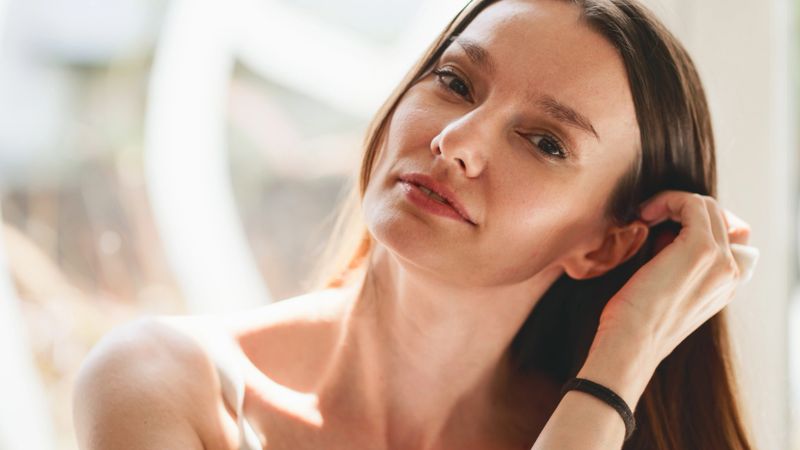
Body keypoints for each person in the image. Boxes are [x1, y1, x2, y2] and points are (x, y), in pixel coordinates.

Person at [72, 0, 758, 449]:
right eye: (455, 82)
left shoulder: (597, 429)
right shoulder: (167, 383)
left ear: (605, 246)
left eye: (546, 142)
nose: (457, 140)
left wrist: (625, 356)